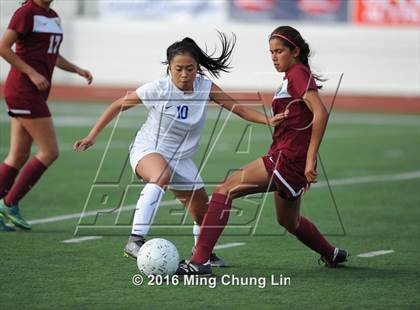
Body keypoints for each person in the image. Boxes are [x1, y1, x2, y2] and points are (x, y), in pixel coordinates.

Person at [73, 33, 283, 267]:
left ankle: (202, 254)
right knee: (161, 175)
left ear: (198, 68)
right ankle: (135, 240)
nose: (184, 74)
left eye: (190, 69)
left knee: (205, 215)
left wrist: (269, 120)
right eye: (178, 69)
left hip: (182, 159)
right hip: (149, 149)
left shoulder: (205, 87)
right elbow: (117, 105)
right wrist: (92, 135)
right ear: (169, 68)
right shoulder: (158, 88)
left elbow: (240, 109)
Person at [176, 26, 349, 275]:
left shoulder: (298, 73)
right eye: (271, 52)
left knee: (224, 190)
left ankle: (199, 261)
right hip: (291, 159)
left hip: (288, 158)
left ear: (295, 51)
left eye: (279, 51)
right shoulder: (294, 75)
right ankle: (331, 253)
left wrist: (310, 159)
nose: (274, 57)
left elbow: (321, 112)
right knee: (289, 221)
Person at [0, 0, 93, 231]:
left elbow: (52, 55)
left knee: (18, 154)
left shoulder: (52, 15)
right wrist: (31, 73)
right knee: (50, 151)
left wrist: (76, 69)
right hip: (24, 90)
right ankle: (9, 203)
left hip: (33, 92)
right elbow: (3, 47)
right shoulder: (26, 12)